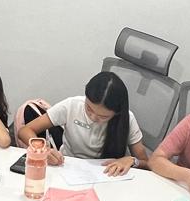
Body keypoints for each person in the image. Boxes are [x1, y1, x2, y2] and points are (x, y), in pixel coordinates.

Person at [17, 72, 150, 177]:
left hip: (107, 175)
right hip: (67, 168)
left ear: (117, 113)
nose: (93, 117)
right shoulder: (72, 106)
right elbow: (24, 131)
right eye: (89, 109)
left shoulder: (127, 119)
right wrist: (42, 150)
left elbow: (146, 163)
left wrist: (132, 160)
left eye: (103, 116)